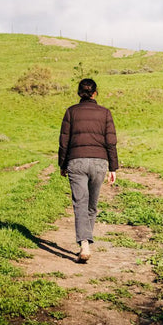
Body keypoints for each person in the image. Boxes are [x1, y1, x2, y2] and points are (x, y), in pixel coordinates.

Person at [58, 78, 118, 263]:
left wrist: (62, 164)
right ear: (95, 93)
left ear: (78, 93)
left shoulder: (71, 112)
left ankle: (84, 243)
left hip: (76, 162)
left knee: (80, 203)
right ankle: (86, 242)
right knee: (92, 205)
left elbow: (64, 141)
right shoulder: (105, 113)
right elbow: (111, 141)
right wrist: (113, 167)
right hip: (99, 162)